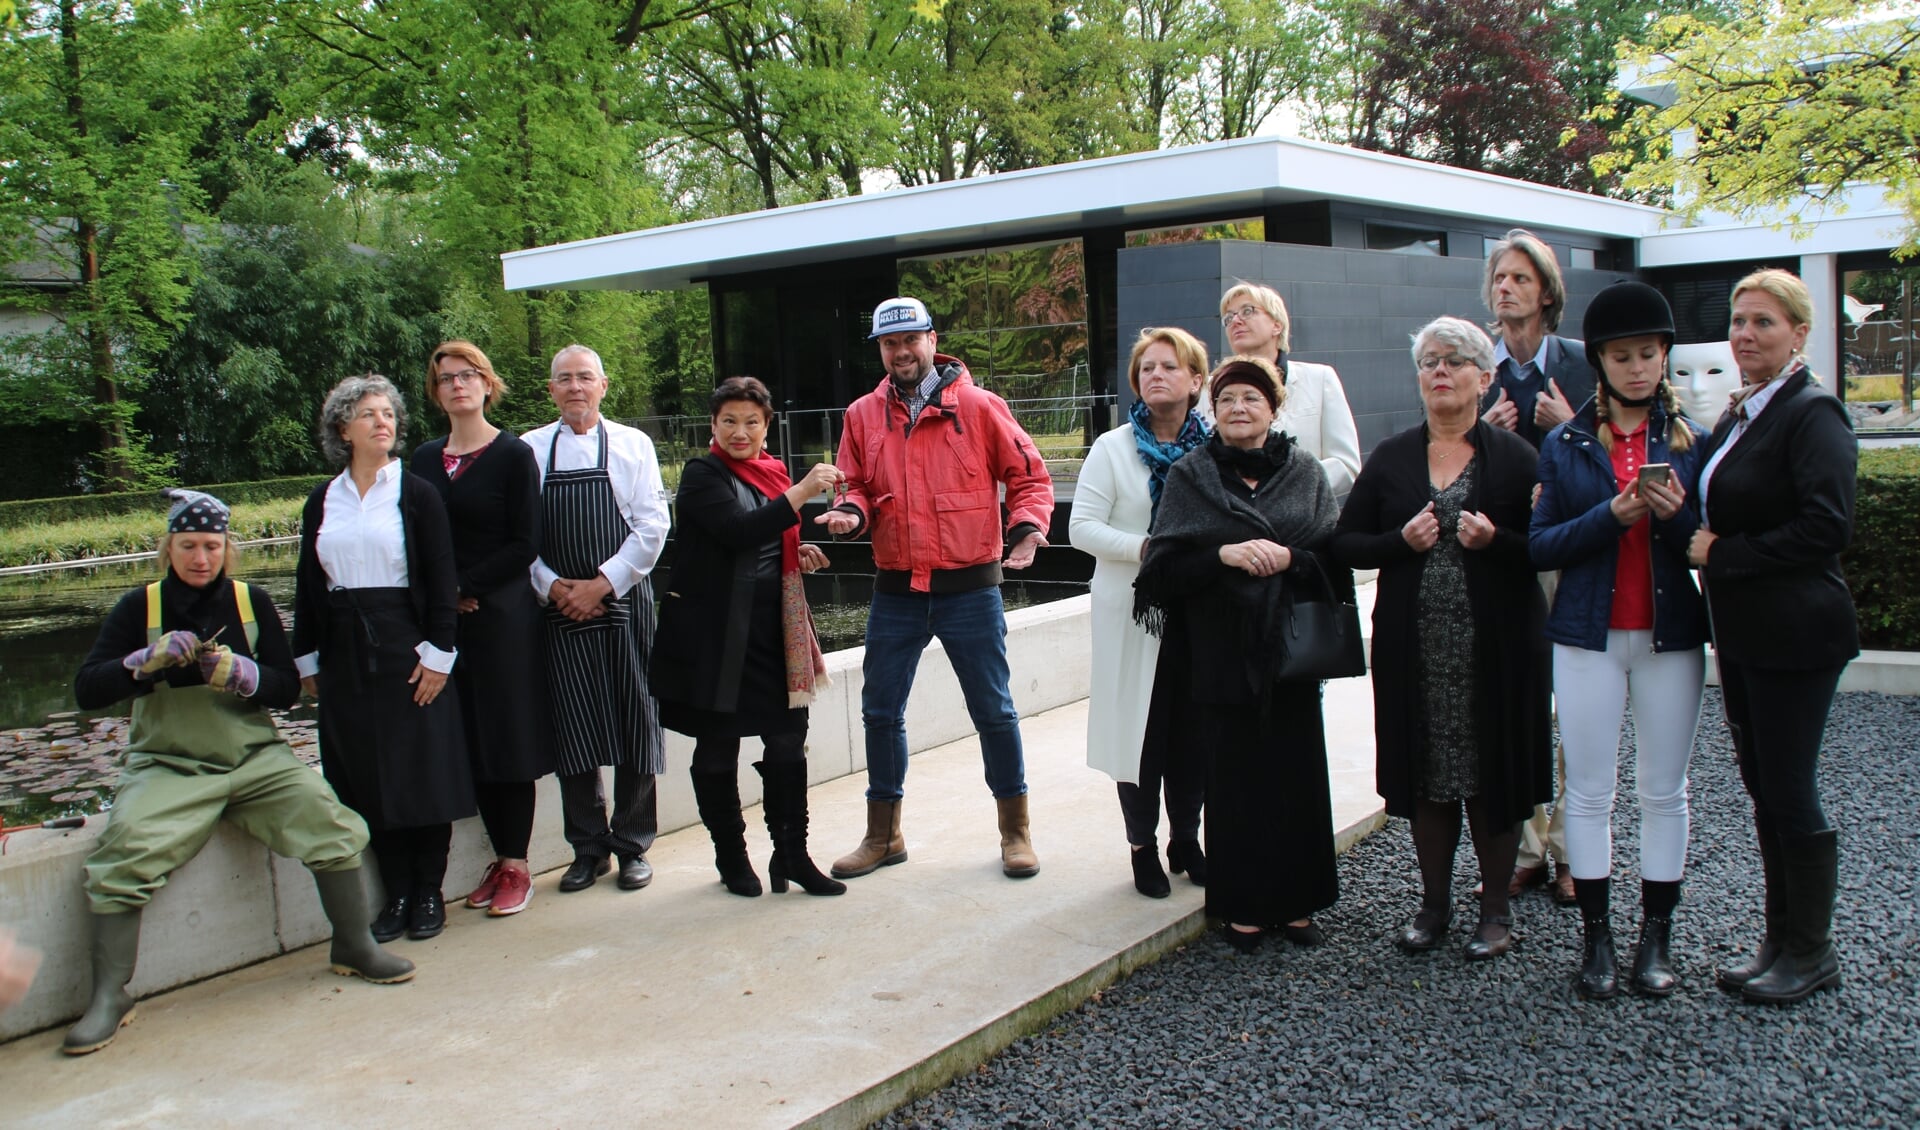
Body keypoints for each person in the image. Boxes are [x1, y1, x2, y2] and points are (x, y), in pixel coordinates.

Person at [67, 489, 412, 1055]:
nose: (200, 558)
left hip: (255, 760)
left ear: (228, 548)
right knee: (123, 851)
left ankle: (353, 946)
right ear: (168, 548)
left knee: (331, 821)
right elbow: (87, 690)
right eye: (187, 546)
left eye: (211, 546)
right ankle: (110, 995)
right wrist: (139, 665)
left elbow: (283, 691)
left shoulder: (250, 601)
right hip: (170, 764)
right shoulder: (140, 606)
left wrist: (244, 675)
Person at [1334, 317, 1550, 960]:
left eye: (1455, 361)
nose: (1439, 371)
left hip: (1499, 647)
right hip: (1417, 646)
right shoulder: (1394, 456)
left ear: (1485, 379)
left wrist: (1498, 542)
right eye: (1429, 361)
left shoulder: (1516, 458)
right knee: (1429, 775)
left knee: (1494, 775)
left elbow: (1549, 546)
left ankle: (1495, 910)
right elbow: (1345, 542)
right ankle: (1433, 906)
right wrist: (1398, 543)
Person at [818, 297, 1055, 879]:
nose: (901, 353)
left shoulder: (978, 406)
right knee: (879, 712)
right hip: (897, 589)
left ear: (931, 339)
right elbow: (856, 488)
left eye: (910, 340)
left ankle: (1015, 832)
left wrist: (1026, 530)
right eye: (889, 344)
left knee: (994, 711)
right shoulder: (861, 416)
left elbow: (1028, 476)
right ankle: (884, 835)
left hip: (969, 589)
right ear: (880, 349)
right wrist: (850, 513)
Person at [1530, 282, 1709, 999]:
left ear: (1664, 357)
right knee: (1592, 793)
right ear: (1600, 362)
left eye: (1649, 354)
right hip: (1587, 636)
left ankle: (1656, 937)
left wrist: (1670, 517)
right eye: (1622, 356)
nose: (1638, 368)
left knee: (1665, 791)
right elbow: (1541, 547)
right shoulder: (1565, 442)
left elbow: (1702, 540)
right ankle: (1596, 939)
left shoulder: (1693, 437)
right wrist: (1612, 513)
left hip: (1670, 638)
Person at [1135, 357, 1346, 950]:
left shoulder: (1305, 473)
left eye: (1252, 398)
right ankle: (1243, 906)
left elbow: (1334, 555)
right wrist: (1222, 557)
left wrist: (1290, 558)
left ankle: (1298, 902)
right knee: (1234, 780)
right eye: (1226, 400)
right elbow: (1162, 570)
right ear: (1214, 411)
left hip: (1290, 651)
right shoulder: (1190, 476)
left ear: (1273, 409)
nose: (1238, 408)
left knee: (1296, 774)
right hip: (1219, 650)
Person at [1689, 268, 1858, 1005]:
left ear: (1799, 333)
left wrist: (1724, 556)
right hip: (1748, 636)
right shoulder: (1743, 414)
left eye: (1763, 322)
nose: (1745, 334)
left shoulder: (1812, 413)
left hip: (1796, 633)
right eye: (1738, 321)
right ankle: (1780, 937)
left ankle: (1811, 950)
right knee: (1764, 789)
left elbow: (1827, 525)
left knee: (1788, 789)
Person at [650, 377, 846, 898]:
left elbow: (765, 534)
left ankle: (792, 855)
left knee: (787, 743)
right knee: (717, 749)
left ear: (767, 426)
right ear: (713, 425)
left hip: (773, 631)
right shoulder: (700, 475)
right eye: (729, 421)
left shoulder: (772, 472)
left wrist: (794, 550)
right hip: (715, 637)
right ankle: (731, 858)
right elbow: (736, 530)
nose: (741, 431)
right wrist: (803, 492)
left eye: (751, 422)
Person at [295, 376, 474, 944]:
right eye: (368, 414)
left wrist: (440, 655)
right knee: (364, 777)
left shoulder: (416, 492)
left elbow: (441, 578)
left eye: (388, 414)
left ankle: (428, 891)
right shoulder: (323, 500)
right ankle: (394, 892)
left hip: (408, 644)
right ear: (342, 430)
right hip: (344, 651)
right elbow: (307, 587)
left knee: (421, 771)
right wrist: (307, 662)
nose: (382, 422)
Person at [411, 341, 554, 919]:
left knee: (507, 739)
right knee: (461, 739)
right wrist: (441, 597)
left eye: (468, 375)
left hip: (501, 620)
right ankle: (489, 863)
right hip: (444, 625)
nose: (457, 385)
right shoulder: (422, 460)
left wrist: (464, 585)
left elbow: (526, 543)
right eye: (446, 378)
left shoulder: (513, 455)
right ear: (436, 391)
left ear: (487, 384)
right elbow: (413, 539)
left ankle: (516, 865)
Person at [1069, 327, 1211, 898]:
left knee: (1193, 733)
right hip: (1132, 613)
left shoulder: (1214, 449)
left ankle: (1187, 840)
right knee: (1140, 735)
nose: (1156, 375)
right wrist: (1146, 548)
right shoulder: (1113, 448)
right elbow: (1080, 528)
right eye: (1146, 368)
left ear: (1196, 381)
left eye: (1170, 367)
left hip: (1198, 611)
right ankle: (1142, 846)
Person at [1479, 227, 1598, 905]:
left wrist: (1565, 426)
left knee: (1571, 699)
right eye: (1500, 277)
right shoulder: (1476, 367)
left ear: (1547, 292)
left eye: (1521, 278)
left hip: (1568, 550)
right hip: (1499, 552)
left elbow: (1615, 463)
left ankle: (1571, 851)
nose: (1507, 288)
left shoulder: (1580, 366)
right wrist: (1485, 434)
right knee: (1516, 699)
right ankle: (1527, 847)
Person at [524, 344, 670, 894]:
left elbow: (653, 527)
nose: (575, 388)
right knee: (573, 727)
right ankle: (587, 849)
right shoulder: (529, 451)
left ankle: (633, 845)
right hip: (558, 608)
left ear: (604, 386)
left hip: (626, 602)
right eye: (564, 379)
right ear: (551, 390)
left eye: (585, 377)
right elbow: (521, 538)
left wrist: (602, 584)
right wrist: (556, 588)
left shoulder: (634, 445)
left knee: (636, 721)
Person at [1217, 282, 1362, 499]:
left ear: (1277, 325)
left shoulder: (1319, 379)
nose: (1235, 321)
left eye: (1248, 311)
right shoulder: (1212, 388)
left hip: (1305, 522)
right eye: (1228, 318)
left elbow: (1346, 466)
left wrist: (1281, 488)